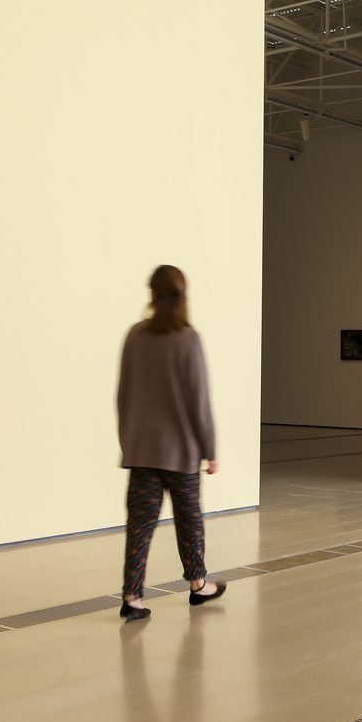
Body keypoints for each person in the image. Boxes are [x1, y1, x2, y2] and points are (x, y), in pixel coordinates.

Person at [115, 264, 225, 622]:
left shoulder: (135, 336)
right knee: (189, 522)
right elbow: (199, 401)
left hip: (143, 453)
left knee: (139, 527)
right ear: (183, 297)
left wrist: (129, 442)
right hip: (182, 455)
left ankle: (132, 598)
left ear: (151, 294)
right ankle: (198, 584)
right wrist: (210, 450)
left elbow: (123, 395)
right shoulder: (188, 339)